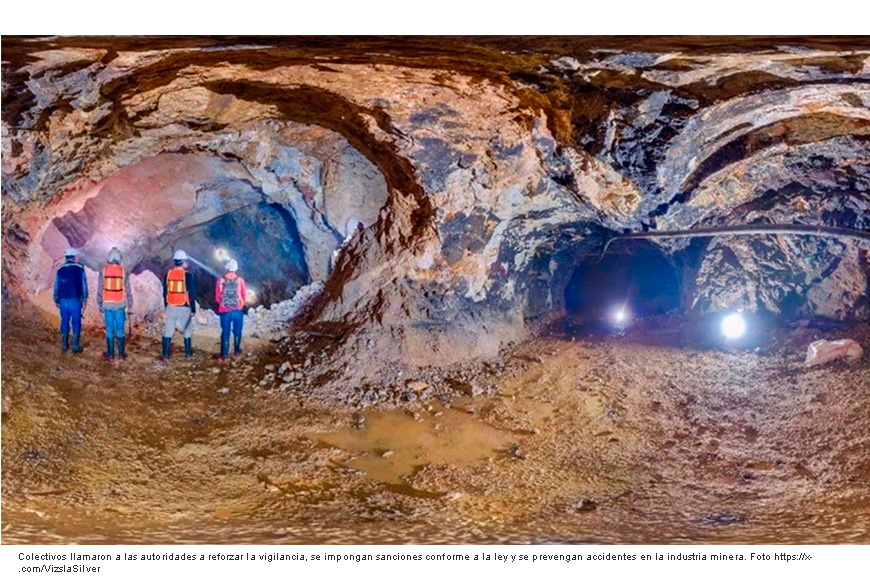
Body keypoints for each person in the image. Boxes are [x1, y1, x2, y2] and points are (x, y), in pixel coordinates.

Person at [97, 247, 133, 361]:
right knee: (120, 329)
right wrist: (130, 303)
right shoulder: (123, 271)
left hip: (107, 304)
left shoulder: (103, 271)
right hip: (119, 305)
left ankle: (111, 354)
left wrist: (99, 303)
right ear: (119, 259)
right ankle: (122, 355)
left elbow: (100, 289)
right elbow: (127, 289)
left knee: (109, 329)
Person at [162, 249, 196, 359]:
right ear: (183, 262)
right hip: (184, 307)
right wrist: (193, 309)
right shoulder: (188, 276)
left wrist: (166, 306)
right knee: (186, 331)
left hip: (171, 305)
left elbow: (165, 292)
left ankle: (165, 354)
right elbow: (192, 294)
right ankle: (188, 354)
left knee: (168, 330)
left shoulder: (168, 274)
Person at [53, 247, 88, 354]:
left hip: (63, 299)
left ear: (66, 257)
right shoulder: (80, 268)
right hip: (75, 299)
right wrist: (85, 298)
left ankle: (64, 345)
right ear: (74, 257)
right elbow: (83, 285)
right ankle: (75, 346)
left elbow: (56, 285)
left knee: (64, 320)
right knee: (76, 321)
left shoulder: (60, 269)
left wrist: (56, 299)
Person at [215, 258, 247, 360]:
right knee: (237, 331)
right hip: (237, 310)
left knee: (225, 331)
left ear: (226, 268)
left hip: (224, 311)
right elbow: (244, 296)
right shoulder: (240, 281)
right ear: (236, 269)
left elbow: (217, 297)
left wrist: (223, 304)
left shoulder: (220, 281)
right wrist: (240, 304)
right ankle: (237, 352)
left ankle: (224, 355)